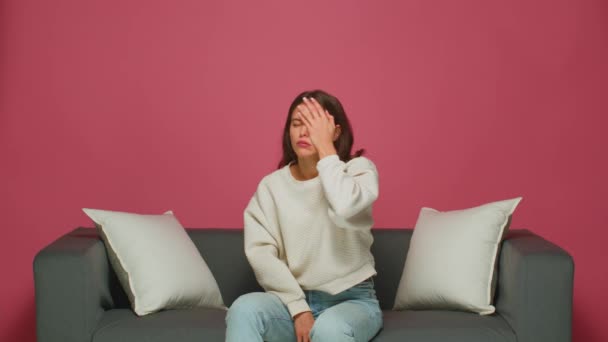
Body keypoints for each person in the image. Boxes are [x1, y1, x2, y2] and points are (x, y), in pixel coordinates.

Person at [225, 89, 383, 342]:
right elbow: (261, 252)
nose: (303, 131)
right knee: (244, 309)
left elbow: (344, 207)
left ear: (336, 131)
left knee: (329, 329)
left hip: (353, 301)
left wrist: (326, 151)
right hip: (292, 302)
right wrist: (299, 308)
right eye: (297, 123)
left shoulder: (357, 171)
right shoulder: (271, 186)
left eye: (314, 124)